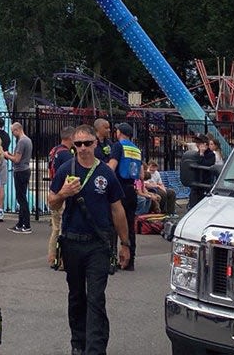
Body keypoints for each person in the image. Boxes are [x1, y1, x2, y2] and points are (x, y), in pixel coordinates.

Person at [48, 124, 131, 355]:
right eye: (78, 144)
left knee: (96, 298)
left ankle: (95, 349)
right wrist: (64, 193)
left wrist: (125, 244)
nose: (83, 148)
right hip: (73, 242)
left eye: (87, 143)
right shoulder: (66, 169)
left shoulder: (105, 173)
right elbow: (52, 202)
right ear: (73, 146)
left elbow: (117, 210)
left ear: (96, 144)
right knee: (76, 297)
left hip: (98, 244)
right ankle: (78, 343)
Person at [112, 123, 142, 270]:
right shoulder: (136, 149)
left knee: (113, 223)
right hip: (132, 189)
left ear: (119, 133)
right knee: (130, 225)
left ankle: (111, 259)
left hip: (119, 188)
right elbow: (141, 174)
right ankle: (131, 261)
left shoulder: (118, 146)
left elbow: (112, 167)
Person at [48, 126, 76, 267]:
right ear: (71, 137)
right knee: (63, 228)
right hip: (62, 193)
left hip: (53, 190)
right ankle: (62, 259)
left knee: (55, 228)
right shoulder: (67, 155)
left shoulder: (54, 151)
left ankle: (53, 257)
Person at [3, 120, 34, 234]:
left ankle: (26, 224)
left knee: (21, 198)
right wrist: (12, 155)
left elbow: (17, 159)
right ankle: (20, 223)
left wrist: (6, 155)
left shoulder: (21, 142)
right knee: (21, 197)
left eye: (13, 131)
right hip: (25, 169)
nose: (12, 134)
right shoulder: (28, 140)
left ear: (17, 130)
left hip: (20, 171)